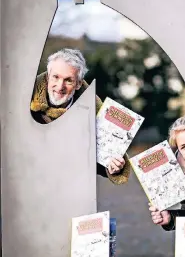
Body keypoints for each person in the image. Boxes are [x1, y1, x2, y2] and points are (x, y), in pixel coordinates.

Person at [30, 48, 130, 185]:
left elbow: (97, 157)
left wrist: (112, 166)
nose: (60, 86)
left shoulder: (95, 112)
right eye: (56, 77)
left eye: (68, 80)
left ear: (78, 84)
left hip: (71, 190)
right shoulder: (24, 103)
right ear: (48, 77)